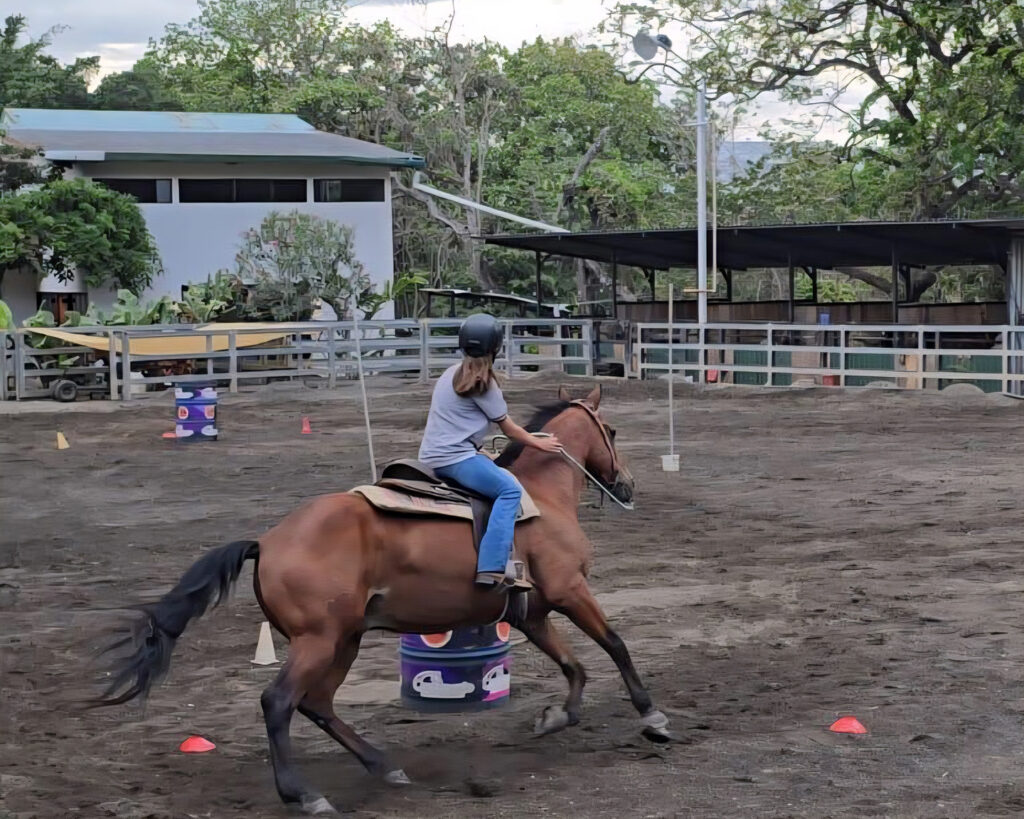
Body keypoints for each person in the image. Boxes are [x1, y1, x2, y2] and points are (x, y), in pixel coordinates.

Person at [418, 313, 563, 590]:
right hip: (456, 459)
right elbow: (509, 430)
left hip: (432, 455)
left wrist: (482, 452)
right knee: (510, 491)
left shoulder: (450, 374)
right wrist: (539, 443)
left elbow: (456, 423)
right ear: (496, 349)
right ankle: (492, 566)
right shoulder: (485, 385)